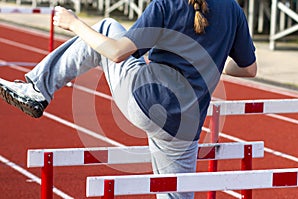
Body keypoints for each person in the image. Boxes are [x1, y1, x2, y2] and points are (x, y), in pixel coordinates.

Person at [0, 0, 257, 198]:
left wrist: (74, 23)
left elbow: (116, 52)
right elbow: (249, 69)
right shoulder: (234, 10)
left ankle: (38, 89)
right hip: (185, 126)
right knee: (175, 193)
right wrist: (213, 63)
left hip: (146, 101)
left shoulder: (167, 3)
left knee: (105, 28)